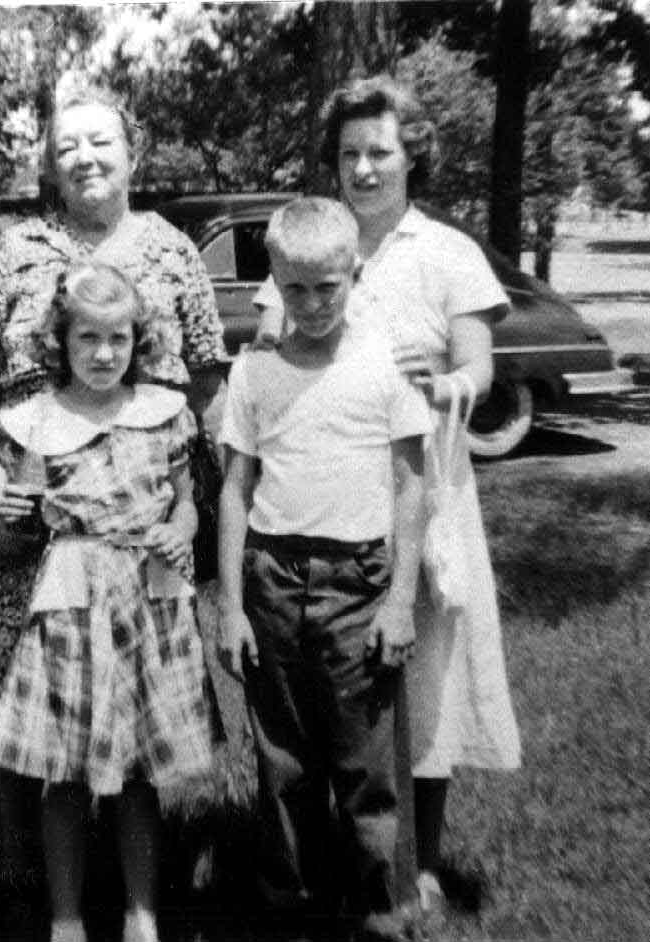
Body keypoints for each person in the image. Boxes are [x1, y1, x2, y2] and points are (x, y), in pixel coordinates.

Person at [0, 72, 226, 933]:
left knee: (135, 713)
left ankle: (130, 896)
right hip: (34, 497)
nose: (84, 157)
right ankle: (25, 875)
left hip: (143, 504)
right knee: (27, 696)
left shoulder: (171, 251)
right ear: (48, 163)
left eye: (100, 140)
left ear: (132, 151)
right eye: (65, 145)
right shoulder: (19, 248)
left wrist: (204, 506)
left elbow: (209, 380)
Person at [253, 76, 522, 914]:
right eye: (348, 155)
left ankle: (418, 862)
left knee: (422, 676)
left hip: (422, 492)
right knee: (331, 690)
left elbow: (480, 371)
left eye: (379, 152)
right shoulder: (312, 245)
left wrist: (439, 383)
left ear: (412, 158)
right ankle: (334, 858)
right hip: (321, 502)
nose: (363, 169)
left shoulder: (445, 252)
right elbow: (270, 346)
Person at [218, 197, 432, 941]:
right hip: (271, 575)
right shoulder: (253, 375)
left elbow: (411, 485)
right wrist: (230, 607)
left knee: (363, 757)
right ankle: (290, 898)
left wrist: (399, 601)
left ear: (354, 276)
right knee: (282, 755)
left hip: (359, 578)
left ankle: (380, 904)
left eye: (327, 287)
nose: (310, 304)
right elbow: (235, 490)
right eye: (294, 288)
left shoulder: (386, 364)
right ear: (272, 282)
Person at [0, 263, 218, 942]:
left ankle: (141, 914)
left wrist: (180, 530)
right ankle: (66, 919)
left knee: (139, 774)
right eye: (87, 337)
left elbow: (186, 503)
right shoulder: (37, 422)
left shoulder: (162, 414)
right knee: (65, 773)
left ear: (138, 341)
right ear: (60, 342)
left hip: (147, 600)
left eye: (118, 338)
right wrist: (9, 515)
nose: (103, 353)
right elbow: (14, 532)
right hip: (71, 605)